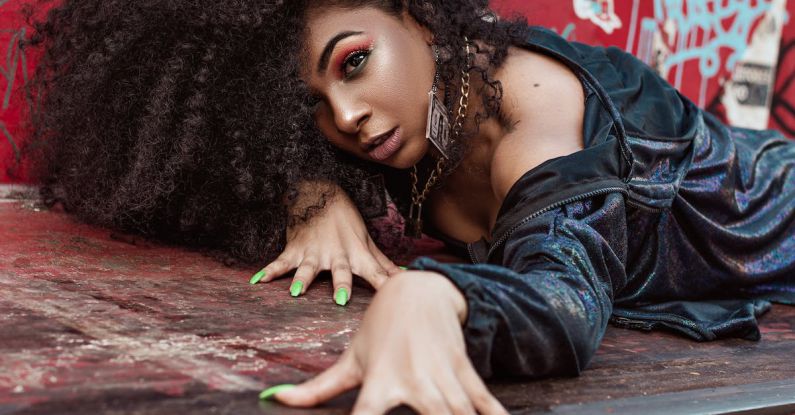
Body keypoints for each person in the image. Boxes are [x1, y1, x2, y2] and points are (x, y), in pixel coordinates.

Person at [23, 0, 795, 414]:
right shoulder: (408, 115)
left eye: (353, 62)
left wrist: (432, 296)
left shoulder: (533, 117)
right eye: (311, 108)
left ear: (418, 12)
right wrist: (310, 190)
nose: (347, 116)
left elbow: (564, 300)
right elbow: (207, 170)